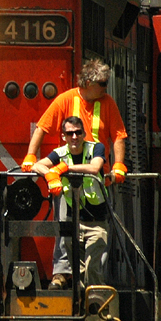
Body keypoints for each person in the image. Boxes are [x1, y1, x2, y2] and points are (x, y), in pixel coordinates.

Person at [20, 59, 128, 289]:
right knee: (64, 226)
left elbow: (118, 134)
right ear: (88, 82)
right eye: (102, 83)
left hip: (97, 181)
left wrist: (119, 165)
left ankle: (93, 284)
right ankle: (62, 274)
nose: (105, 88)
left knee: (97, 236)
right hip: (68, 183)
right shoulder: (66, 99)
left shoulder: (107, 103)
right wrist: (31, 156)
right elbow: (43, 127)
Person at [32, 116, 108, 289]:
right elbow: (37, 165)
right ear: (63, 136)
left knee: (92, 269)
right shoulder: (60, 153)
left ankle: (97, 307)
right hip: (72, 222)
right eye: (70, 133)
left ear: (84, 133)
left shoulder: (96, 148)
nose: (74, 137)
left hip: (96, 222)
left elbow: (94, 168)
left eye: (78, 132)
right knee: (78, 274)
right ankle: (82, 307)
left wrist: (64, 168)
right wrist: (50, 175)